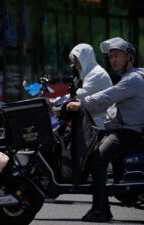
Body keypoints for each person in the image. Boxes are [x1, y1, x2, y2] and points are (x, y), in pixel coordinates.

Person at [67, 37, 144, 222]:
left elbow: (108, 96)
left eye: (117, 55)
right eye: (111, 57)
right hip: (120, 129)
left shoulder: (133, 79)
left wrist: (81, 103)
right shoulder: (128, 78)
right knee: (94, 152)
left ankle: (100, 210)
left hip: (127, 132)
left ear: (129, 57)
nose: (113, 60)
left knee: (97, 160)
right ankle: (104, 207)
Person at [52, 43, 113, 129]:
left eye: (77, 60)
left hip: (99, 122)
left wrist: (57, 100)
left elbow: (81, 94)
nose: (75, 64)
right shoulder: (89, 73)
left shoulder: (97, 74)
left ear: (84, 58)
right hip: (91, 119)